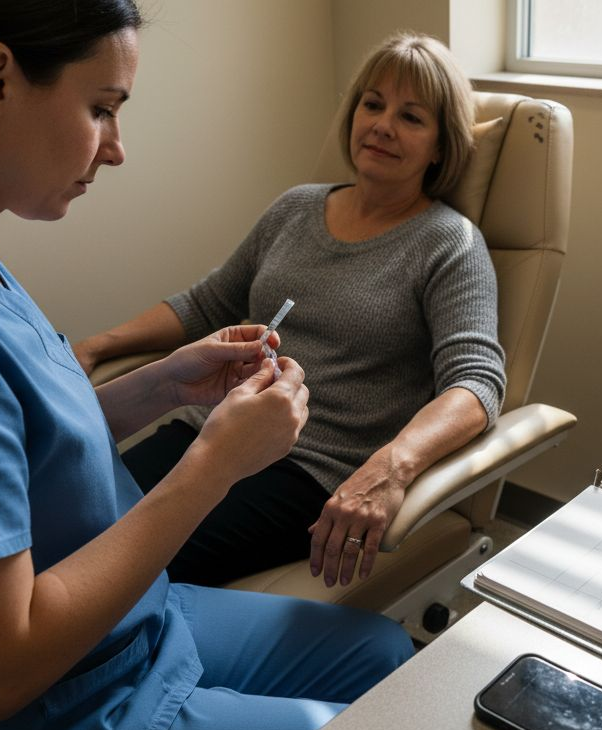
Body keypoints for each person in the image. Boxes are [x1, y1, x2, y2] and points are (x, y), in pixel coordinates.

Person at [0, 3, 413, 730]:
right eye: (101, 109)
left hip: (125, 635)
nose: (116, 149)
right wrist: (215, 465)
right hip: (48, 722)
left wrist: (162, 388)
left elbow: (1, 441)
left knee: (383, 656)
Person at [74, 31, 506, 590]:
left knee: (116, 567)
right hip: (212, 431)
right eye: (372, 105)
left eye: (411, 117)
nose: (381, 125)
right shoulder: (296, 208)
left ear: (441, 146)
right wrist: (96, 346)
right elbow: (209, 303)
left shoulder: (450, 243)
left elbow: (475, 383)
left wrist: (390, 467)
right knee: (68, 519)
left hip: (308, 471)